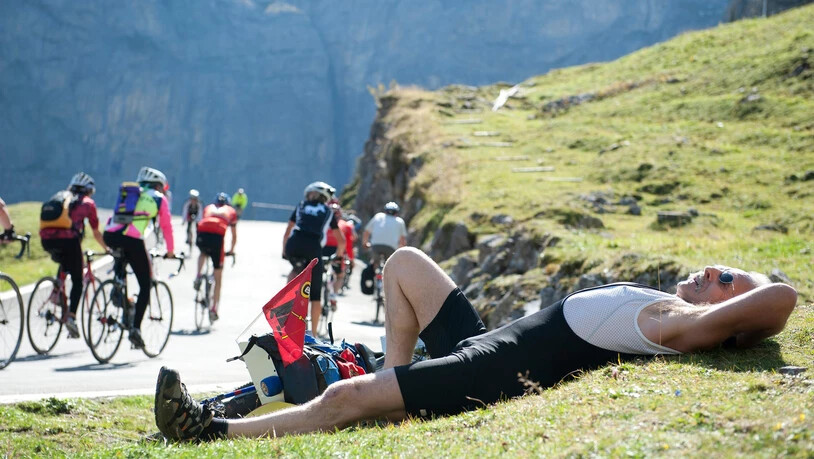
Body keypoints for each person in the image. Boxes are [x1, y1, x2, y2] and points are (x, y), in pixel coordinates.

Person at [154, 246, 798, 441]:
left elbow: (783, 298)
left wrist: (750, 296)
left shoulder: (679, 325)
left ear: (729, 312)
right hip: (491, 343)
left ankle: (209, 433)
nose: (711, 272)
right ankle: (398, 390)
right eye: (720, 268)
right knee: (404, 265)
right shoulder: (675, 307)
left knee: (342, 396)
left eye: (726, 280)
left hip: (490, 372)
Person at [104, 166, 175, 349]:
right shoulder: (158, 198)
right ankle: (135, 328)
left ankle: (118, 290)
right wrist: (170, 251)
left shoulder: (131, 194)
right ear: (158, 186)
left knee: (122, 266)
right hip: (131, 239)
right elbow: (166, 226)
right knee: (146, 284)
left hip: (110, 235)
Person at [39, 172, 110, 338]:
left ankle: (57, 291)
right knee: (78, 280)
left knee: (65, 264)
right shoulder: (87, 203)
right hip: (69, 241)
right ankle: (71, 317)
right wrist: (107, 249)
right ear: (89, 190)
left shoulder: (62, 198)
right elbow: (95, 233)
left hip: (46, 240)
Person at [282, 181, 345, 337]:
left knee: (296, 269)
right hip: (313, 248)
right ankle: (314, 334)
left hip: (293, 245)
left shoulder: (301, 205)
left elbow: (288, 230)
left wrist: (285, 252)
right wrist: (338, 256)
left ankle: (286, 307)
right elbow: (341, 241)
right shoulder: (327, 211)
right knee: (315, 294)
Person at [194, 192, 238, 322]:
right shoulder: (231, 210)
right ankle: (214, 309)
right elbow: (234, 235)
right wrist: (231, 250)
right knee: (218, 277)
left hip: (202, 234)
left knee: (203, 253)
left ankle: (197, 276)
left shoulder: (209, 207)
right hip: (217, 238)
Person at [361, 201, 407, 269]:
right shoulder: (400, 221)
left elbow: (366, 232)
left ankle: (374, 273)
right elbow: (402, 241)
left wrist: (365, 243)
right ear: (396, 213)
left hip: (375, 246)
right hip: (391, 248)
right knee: (389, 267)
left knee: (374, 264)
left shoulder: (378, 216)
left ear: (385, 211)